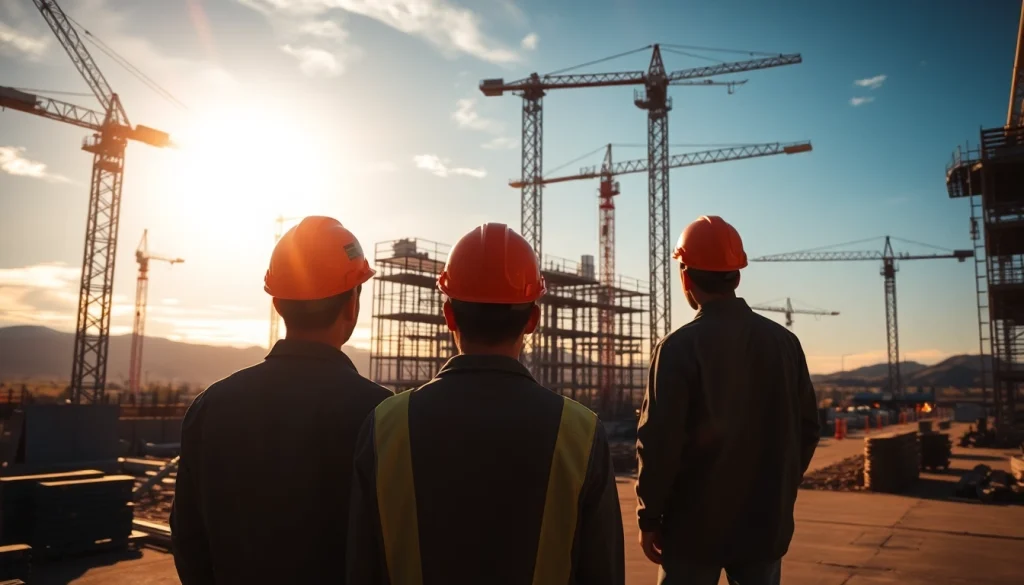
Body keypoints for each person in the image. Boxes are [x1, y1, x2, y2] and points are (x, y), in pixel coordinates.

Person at [346, 222, 625, 585]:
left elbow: (362, 569)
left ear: (448, 317)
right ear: (533, 320)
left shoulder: (386, 425)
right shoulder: (580, 433)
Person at [170, 216, 392, 585]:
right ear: (352, 304)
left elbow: (189, 542)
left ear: (277, 303)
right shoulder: (381, 416)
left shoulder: (210, 408)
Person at [635, 215, 821, 585]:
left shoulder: (677, 348)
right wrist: (776, 490)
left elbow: (659, 443)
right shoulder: (785, 344)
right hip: (765, 528)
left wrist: (649, 518)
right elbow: (808, 430)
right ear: (737, 276)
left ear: (685, 277)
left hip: (691, 533)